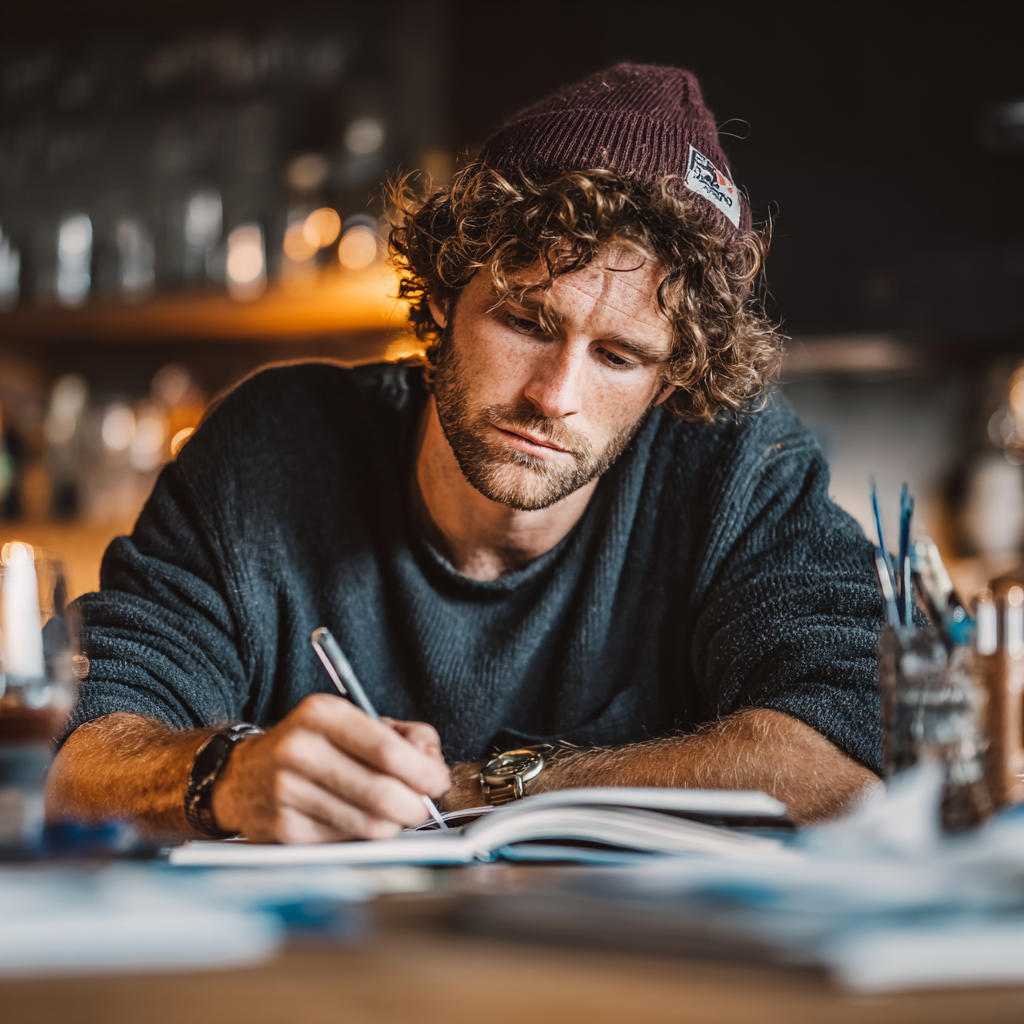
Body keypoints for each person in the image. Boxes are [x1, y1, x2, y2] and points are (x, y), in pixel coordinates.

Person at [47, 64, 882, 843]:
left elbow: (850, 758)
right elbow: (76, 756)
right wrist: (224, 778)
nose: (554, 395)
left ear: (669, 381)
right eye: (525, 322)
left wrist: (490, 788)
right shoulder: (268, 449)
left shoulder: (737, 468)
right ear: (446, 295)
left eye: (618, 357)